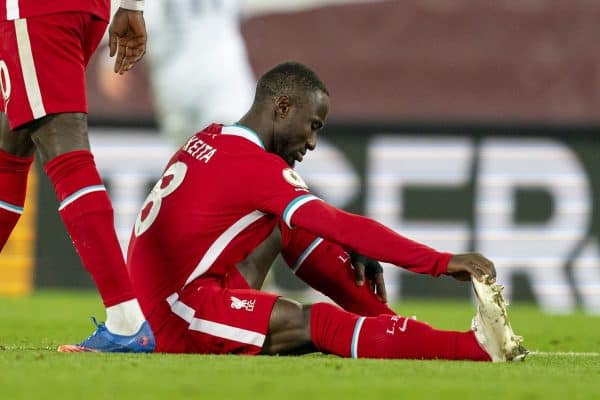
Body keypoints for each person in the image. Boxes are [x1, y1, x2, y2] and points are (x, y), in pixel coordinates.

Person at [127, 61, 527, 361]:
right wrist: (442, 261)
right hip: (177, 316)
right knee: (314, 322)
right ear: (282, 107)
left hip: (160, 299)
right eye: (313, 125)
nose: (313, 142)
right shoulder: (256, 167)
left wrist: (341, 237)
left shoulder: (211, 137)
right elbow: (336, 222)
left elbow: (316, 225)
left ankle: (391, 326)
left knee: (291, 229)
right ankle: (474, 348)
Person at [0, 0, 154, 352]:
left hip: (34, 11)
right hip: (88, 8)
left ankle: (127, 321)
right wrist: (132, 6)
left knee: (66, 151)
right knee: (10, 144)